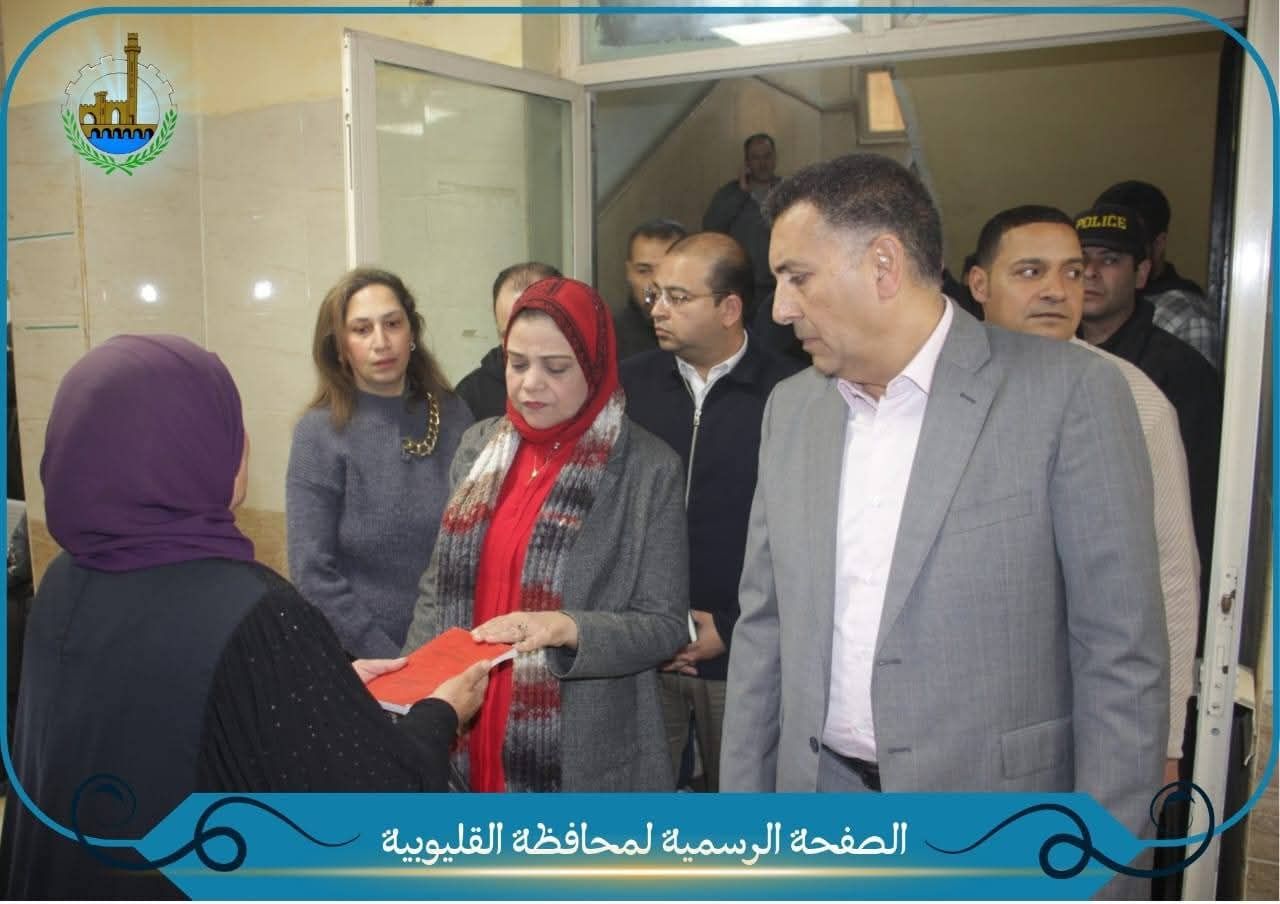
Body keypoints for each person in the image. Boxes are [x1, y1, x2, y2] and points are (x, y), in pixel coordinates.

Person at [720, 155, 1167, 897]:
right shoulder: (792, 410)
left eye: (797, 277)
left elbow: (1121, 657)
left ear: (883, 265)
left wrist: (1102, 871)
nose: (780, 310)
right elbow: (764, 630)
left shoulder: (1069, 396)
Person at [0, 335, 489, 900]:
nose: (244, 443)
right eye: (226, 426)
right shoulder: (254, 612)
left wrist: (320, 694)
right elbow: (368, 808)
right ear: (191, 451)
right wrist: (439, 715)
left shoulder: (65, 579)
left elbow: (165, 716)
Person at [403, 276, 690, 792]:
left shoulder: (648, 469)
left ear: (595, 368)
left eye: (556, 368)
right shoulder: (479, 446)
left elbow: (664, 626)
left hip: (575, 743)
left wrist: (565, 628)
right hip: (464, 720)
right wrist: (415, 693)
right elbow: (437, 586)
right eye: (517, 364)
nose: (531, 384)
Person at [967, 204, 1199, 785]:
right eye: (1031, 272)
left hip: (1065, 716)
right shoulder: (924, 391)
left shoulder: (1132, 400)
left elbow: (1170, 576)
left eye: (1071, 273)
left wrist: (1166, 739)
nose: (1057, 290)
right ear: (979, 284)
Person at [620, 232, 800, 790]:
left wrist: (730, 623)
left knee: (742, 810)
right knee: (641, 811)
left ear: (729, 308)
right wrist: (648, 623)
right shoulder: (629, 386)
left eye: (678, 298)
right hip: (644, 655)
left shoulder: (791, 393)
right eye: (655, 295)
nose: (659, 310)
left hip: (744, 655)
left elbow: (801, 536)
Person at [287, 268, 474, 659]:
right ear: (340, 347)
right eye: (362, 330)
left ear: (412, 333)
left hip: (454, 647)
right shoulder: (319, 433)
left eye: (392, 324)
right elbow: (312, 571)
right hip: (362, 659)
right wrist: (390, 662)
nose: (381, 342)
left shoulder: (454, 413)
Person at [1075, 203, 1222, 603]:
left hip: (1146, 579)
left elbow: (1198, 502)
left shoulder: (1178, 371)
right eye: (1080, 260)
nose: (1090, 272)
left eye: (1110, 260)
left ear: (1141, 274)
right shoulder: (1055, 356)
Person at [1095, 180, 1219, 368]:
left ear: (1158, 244)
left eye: (1112, 257)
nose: (1092, 269)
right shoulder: (1085, 303)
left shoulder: (1187, 317)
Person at [456, 261, 562, 420]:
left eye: (540, 332)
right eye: (511, 335)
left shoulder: (587, 381)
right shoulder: (469, 398)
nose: (531, 383)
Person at [703, 133, 781, 306]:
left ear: (775, 158)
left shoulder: (787, 191)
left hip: (779, 284)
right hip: (742, 286)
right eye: (756, 158)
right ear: (747, 162)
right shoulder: (729, 194)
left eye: (767, 156)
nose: (762, 163)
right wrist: (741, 192)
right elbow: (711, 230)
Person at [615, 219, 687, 361]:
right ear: (629, 272)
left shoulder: (707, 333)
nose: (655, 282)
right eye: (644, 271)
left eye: (667, 269)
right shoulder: (609, 339)